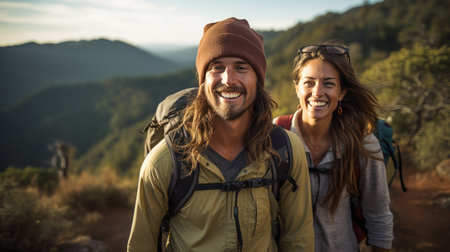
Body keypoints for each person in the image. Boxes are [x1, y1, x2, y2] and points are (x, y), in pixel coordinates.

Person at [127, 17, 314, 252]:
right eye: (216, 67)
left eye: (242, 67)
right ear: (203, 80)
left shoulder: (285, 150)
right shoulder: (164, 162)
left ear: (259, 79)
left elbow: (299, 241)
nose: (228, 79)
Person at [274, 44, 394, 251]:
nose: (317, 92)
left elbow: (378, 214)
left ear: (341, 93)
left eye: (328, 84)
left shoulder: (361, 142)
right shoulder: (277, 135)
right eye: (308, 83)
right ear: (297, 88)